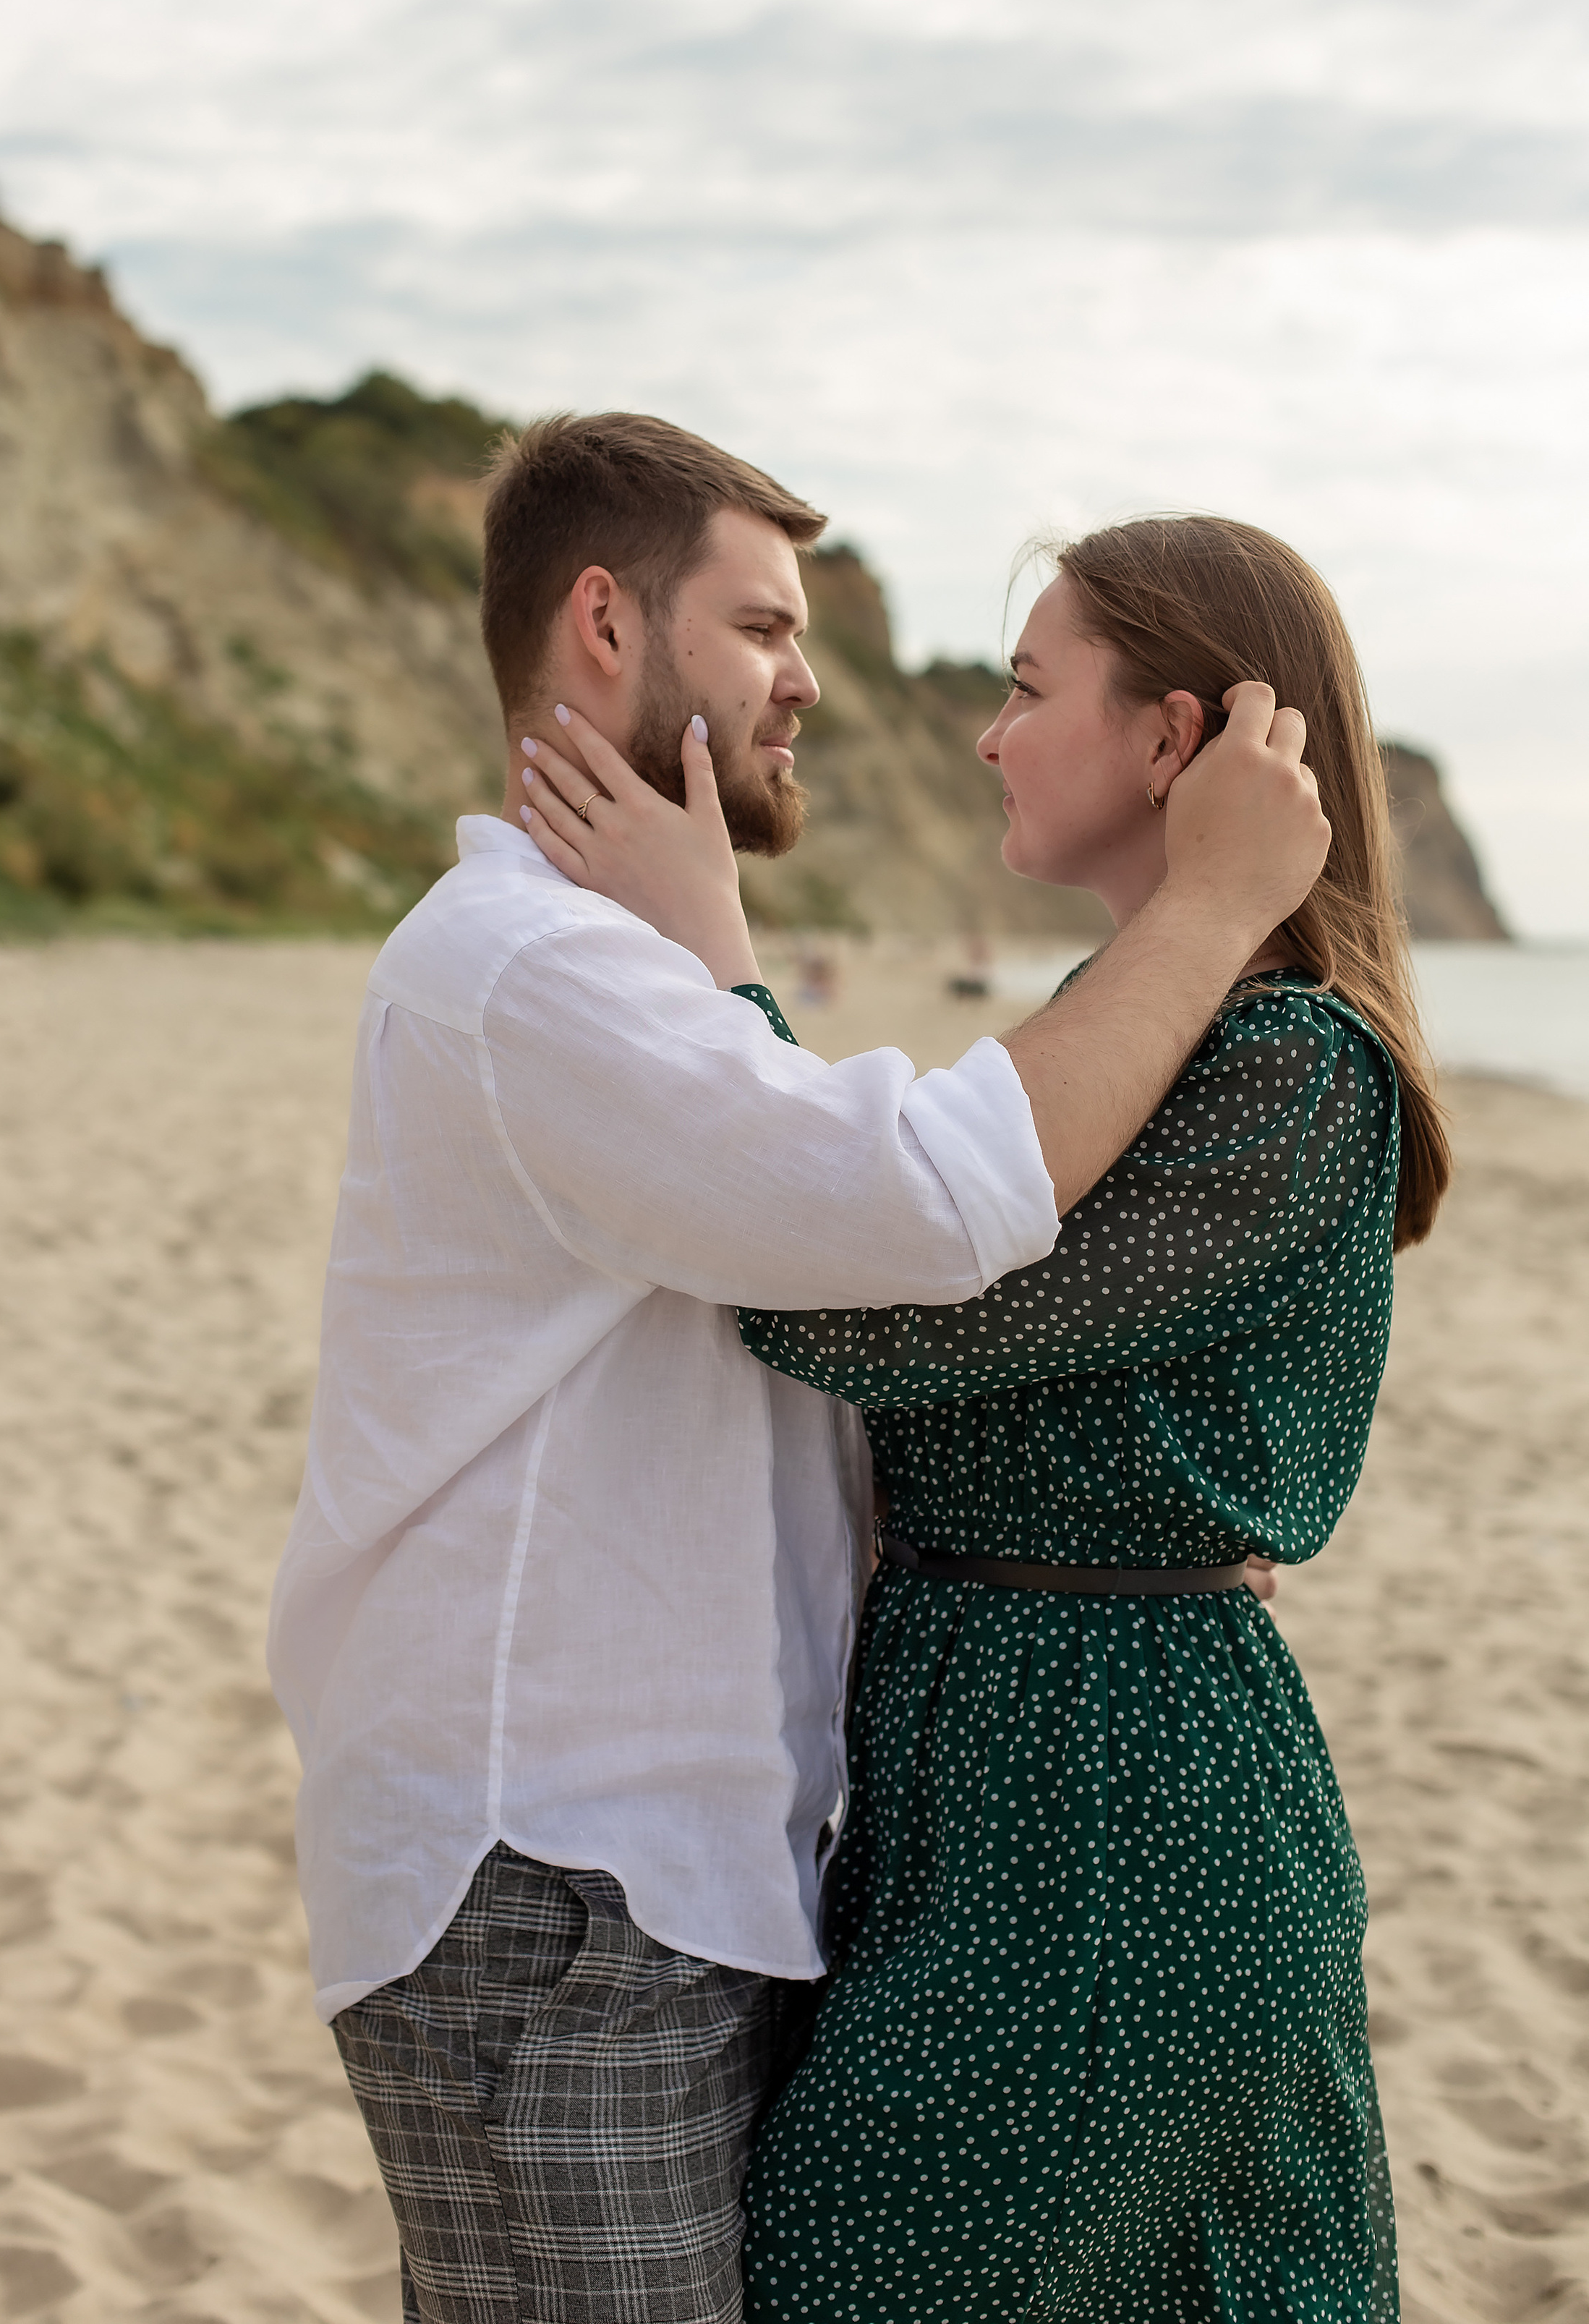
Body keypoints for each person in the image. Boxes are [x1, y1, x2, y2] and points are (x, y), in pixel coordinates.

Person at [269, 420, 1329, 2324]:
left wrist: (1148, 1515)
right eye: (762, 625)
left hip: (666, 1863)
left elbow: (853, 1332)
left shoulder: (623, 976)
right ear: (605, 624)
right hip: (556, 1866)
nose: (811, 681)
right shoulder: (539, 976)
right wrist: (1208, 907)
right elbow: (911, 1218)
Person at [531, 513, 1444, 2324]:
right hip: (1002, 1760)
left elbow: (847, 1293)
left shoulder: (1283, 1070)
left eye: (1028, 689)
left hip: (1119, 1800)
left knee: (849, 2274)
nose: (985, 732)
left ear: (1173, 742)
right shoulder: (1142, 1031)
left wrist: (721, 972)